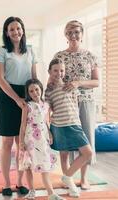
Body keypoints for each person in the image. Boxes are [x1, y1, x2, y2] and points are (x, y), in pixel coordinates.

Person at [53, 20, 99, 190]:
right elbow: (53, 79)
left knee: (85, 138)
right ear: (65, 35)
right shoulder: (59, 56)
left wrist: (78, 82)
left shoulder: (90, 56)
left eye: (76, 32)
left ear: (82, 33)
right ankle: (69, 177)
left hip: (86, 102)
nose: (73, 35)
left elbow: (96, 82)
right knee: (67, 139)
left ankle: (84, 178)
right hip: (65, 104)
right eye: (69, 32)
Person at [0, 16, 37, 196]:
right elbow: (0, 79)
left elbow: (34, 77)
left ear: (23, 30)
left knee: (22, 143)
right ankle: (6, 183)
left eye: (18, 28)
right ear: (6, 33)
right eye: (11, 29)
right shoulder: (2, 50)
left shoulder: (31, 50)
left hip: (26, 95)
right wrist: (16, 99)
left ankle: (20, 182)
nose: (15, 32)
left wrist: (35, 99)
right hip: (7, 96)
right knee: (7, 141)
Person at [45, 59, 92, 198]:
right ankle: (71, 187)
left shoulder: (71, 86)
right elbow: (47, 111)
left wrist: (77, 122)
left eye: (61, 70)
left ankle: (67, 176)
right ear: (49, 72)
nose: (59, 73)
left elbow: (75, 105)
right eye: (55, 70)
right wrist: (48, 130)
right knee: (64, 156)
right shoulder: (48, 91)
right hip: (58, 125)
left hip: (74, 124)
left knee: (87, 153)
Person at [19, 79, 65, 200]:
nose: (35, 93)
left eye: (36, 89)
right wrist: (21, 141)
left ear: (41, 89)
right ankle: (31, 190)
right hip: (30, 140)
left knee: (45, 164)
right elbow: (23, 124)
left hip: (42, 139)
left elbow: (45, 121)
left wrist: (49, 133)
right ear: (28, 93)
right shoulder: (27, 106)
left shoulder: (46, 105)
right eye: (31, 91)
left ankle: (51, 193)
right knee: (28, 165)